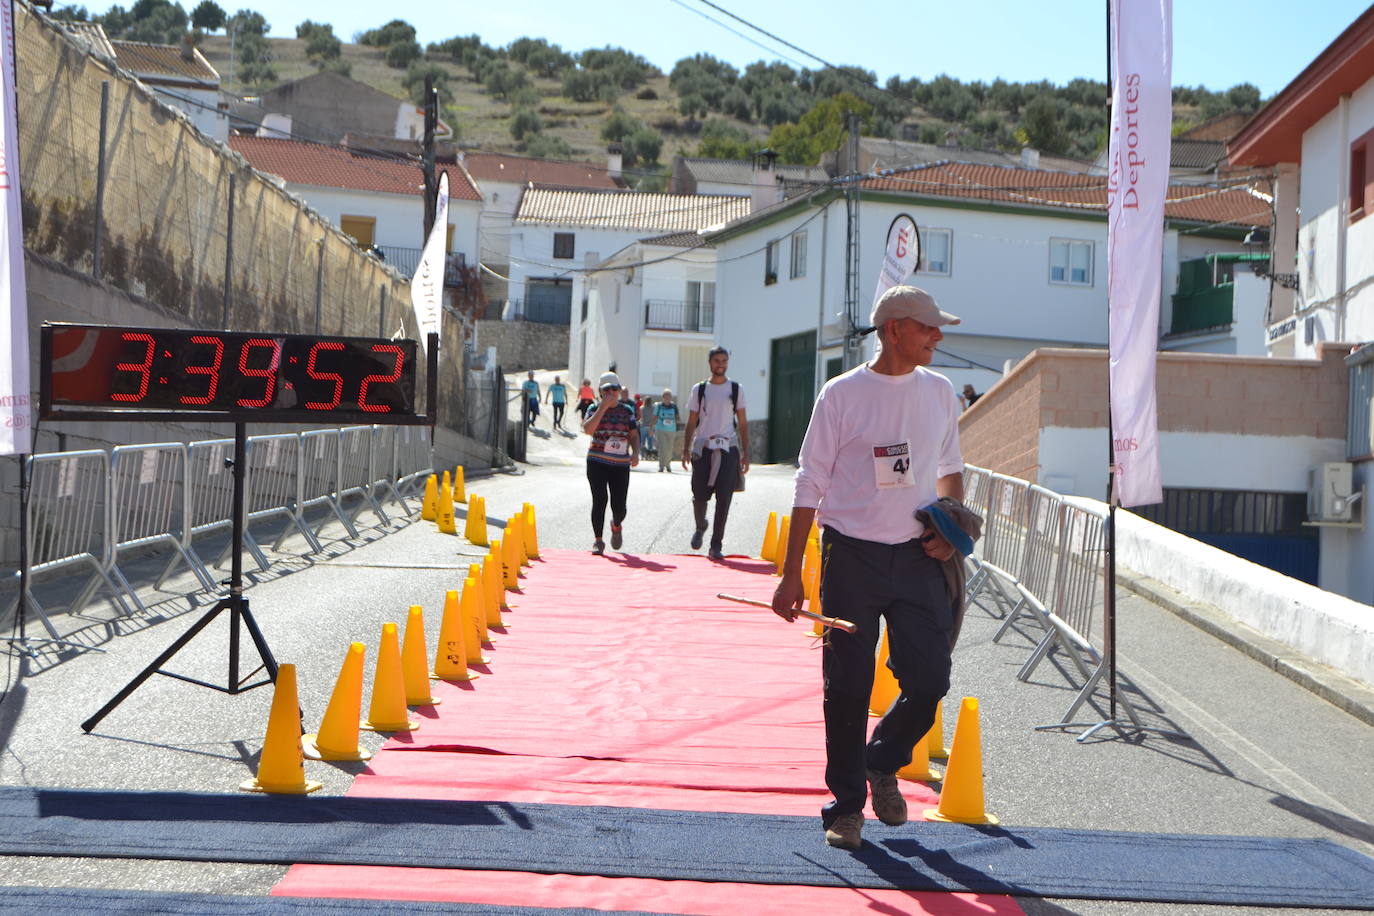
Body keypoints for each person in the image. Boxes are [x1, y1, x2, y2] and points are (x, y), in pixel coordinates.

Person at [770, 285, 965, 851]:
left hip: (917, 556)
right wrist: (790, 573)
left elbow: (951, 470)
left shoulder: (941, 391)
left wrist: (948, 531)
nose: (937, 336)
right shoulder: (842, 395)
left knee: (930, 678)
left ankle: (883, 760)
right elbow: (810, 480)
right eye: (927, 327)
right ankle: (847, 807)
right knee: (848, 687)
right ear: (893, 331)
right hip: (850, 555)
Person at [680, 346, 749, 560]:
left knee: (724, 498)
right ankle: (701, 525)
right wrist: (685, 449)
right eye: (717, 360)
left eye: (724, 360)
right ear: (710, 363)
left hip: (728, 450)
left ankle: (715, 545)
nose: (721, 364)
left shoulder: (736, 389)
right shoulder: (699, 390)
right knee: (699, 494)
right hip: (703, 448)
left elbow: (743, 423)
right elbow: (692, 421)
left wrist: (746, 453)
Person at [583, 372, 639, 555]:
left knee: (619, 506)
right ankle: (598, 541)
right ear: (600, 391)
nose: (611, 392)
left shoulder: (627, 411)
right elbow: (588, 429)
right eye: (607, 389)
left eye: (614, 388)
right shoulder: (593, 408)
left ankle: (616, 524)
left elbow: (633, 435)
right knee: (599, 500)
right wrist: (602, 408)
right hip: (597, 461)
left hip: (620, 464)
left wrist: (636, 452)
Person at [653, 389, 680, 473]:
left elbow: (678, 417)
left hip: (671, 430)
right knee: (662, 447)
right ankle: (661, 466)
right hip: (661, 429)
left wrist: (678, 421)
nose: (667, 398)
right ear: (663, 397)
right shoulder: (659, 406)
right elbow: (654, 417)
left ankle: (667, 464)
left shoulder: (674, 406)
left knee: (670, 448)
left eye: (669, 396)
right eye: (666, 396)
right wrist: (651, 428)